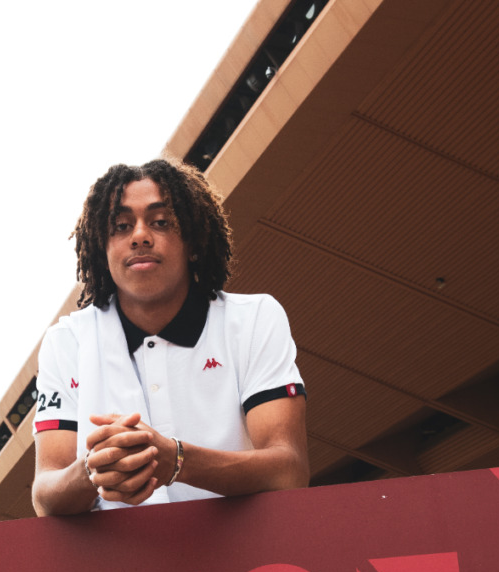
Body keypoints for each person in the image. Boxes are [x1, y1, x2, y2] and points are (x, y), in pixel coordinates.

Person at [31, 159, 308, 515]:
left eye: (160, 222)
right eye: (121, 226)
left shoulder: (254, 318)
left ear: (193, 242)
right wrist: (94, 469)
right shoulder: (66, 342)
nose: (140, 236)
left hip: (239, 546)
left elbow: (289, 469)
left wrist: (176, 460)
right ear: (103, 249)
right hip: (120, 550)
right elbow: (45, 495)